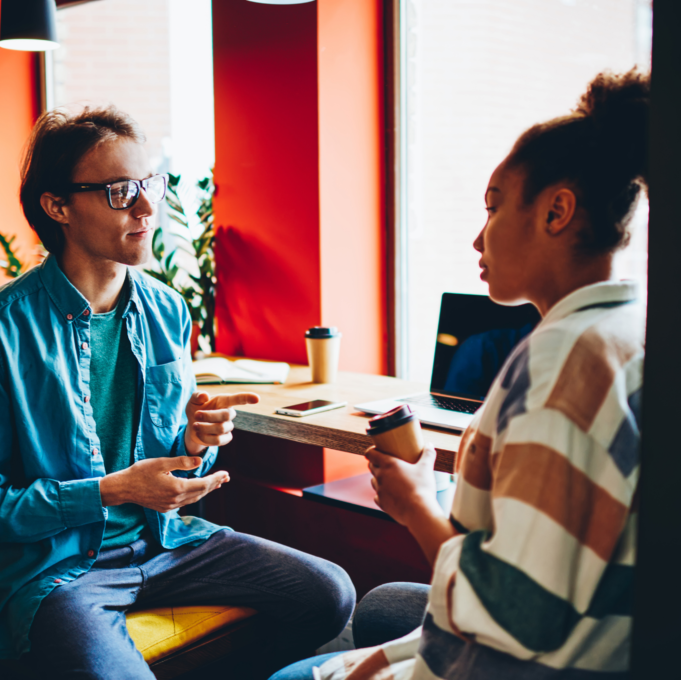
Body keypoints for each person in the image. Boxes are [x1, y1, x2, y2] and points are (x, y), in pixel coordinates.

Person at [0, 106, 355, 679]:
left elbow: (172, 463)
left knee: (329, 593)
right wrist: (110, 491)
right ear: (57, 206)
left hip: (169, 544)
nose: (146, 207)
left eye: (148, 184)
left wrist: (195, 441)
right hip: (60, 570)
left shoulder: (166, 309)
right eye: (120, 191)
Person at [271, 69, 648, 680]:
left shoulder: (564, 361)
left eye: (493, 207)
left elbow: (517, 613)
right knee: (380, 608)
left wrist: (417, 506)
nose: (478, 238)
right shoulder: (631, 327)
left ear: (557, 211)